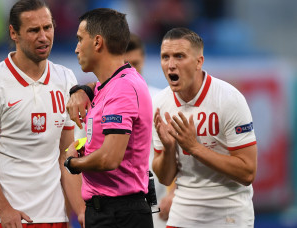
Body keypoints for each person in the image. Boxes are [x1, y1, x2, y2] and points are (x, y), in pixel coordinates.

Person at [0, 0, 85, 227]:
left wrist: (77, 211)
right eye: (33, 30)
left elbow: (66, 155)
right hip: (6, 219)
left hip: (54, 217)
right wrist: (4, 211)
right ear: (14, 33)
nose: (43, 37)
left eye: (48, 27)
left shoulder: (66, 79)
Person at [152, 27, 257, 227]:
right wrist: (168, 148)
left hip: (229, 214)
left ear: (199, 61)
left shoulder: (229, 99)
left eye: (179, 56)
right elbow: (165, 178)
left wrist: (195, 148)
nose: (171, 65)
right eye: (165, 57)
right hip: (183, 212)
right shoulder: (160, 103)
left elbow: (247, 173)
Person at [63, 8, 154, 228]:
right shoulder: (110, 85)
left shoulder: (122, 88)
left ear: (97, 42)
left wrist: (72, 163)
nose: (76, 48)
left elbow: (109, 159)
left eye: (79, 39)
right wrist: (80, 89)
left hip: (121, 215)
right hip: (108, 211)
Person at [125, 33, 171, 228]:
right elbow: (76, 149)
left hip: (155, 208)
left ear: (144, 59)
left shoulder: (160, 101)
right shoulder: (96, 103)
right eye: (126, 64)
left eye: (136, 63)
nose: (132, 70)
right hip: (111, 210)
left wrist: (173, 193)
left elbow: (178, 153)